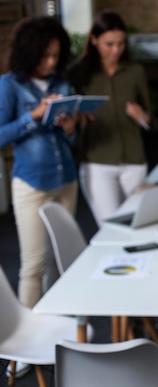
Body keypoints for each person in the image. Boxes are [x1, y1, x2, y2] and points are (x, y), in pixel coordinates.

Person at [0, 16, 78, 309]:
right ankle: (26, 346)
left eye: (56, 55)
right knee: (34, 265)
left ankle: (56, 328)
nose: (50, 62)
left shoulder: (62, 82)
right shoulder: (9, 86)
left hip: (66, 181)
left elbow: (69, 140)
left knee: (62, 261)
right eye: (45, 55)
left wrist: (70, 129)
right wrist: (33, 116)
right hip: (31, 184)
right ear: (28, 53)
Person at [68, 10, 156, 225]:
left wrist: (141, 116)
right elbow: (67, 116)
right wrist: (77, 118)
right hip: (98, 162)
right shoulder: (78, 73)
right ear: (94, 40)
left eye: (121, 43)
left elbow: (150, 119)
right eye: (109, 44)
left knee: (141, 223)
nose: (116, 50)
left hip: (134, 161)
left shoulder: (135, 71)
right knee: (110, 226)